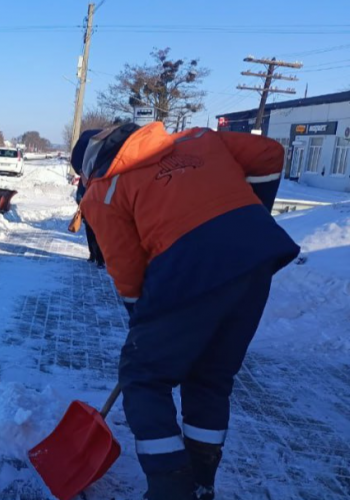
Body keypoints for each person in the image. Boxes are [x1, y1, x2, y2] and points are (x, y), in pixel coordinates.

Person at [73, 122, 300, 500]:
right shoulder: (199, 138)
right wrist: (248, 217)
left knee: (143, 375)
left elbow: (127, 272)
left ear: (89, 166)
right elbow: (269, 154)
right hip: (255, 257)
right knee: (209, 375)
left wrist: (143, 331)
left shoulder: (104, 189)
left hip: (187, 267)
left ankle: (170, 490)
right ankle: (200, 483)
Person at [71, 129, 105, 267]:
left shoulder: (86, 141)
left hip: (85, 187)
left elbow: (75, 160)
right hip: (102, 186)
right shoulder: (108, 143)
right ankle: (101, 258)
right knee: (101, 225)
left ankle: (92, 254)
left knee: (90, 222)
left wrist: (81, 172)